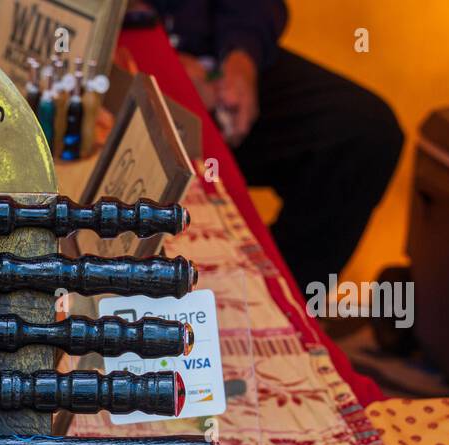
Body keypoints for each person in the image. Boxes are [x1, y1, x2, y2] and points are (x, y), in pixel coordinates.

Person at [140, 0, 404, 293]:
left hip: (212, 53)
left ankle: (279, 299)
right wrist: (161, 64)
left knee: (364, 133)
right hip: (125, 56)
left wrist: (242, 60)